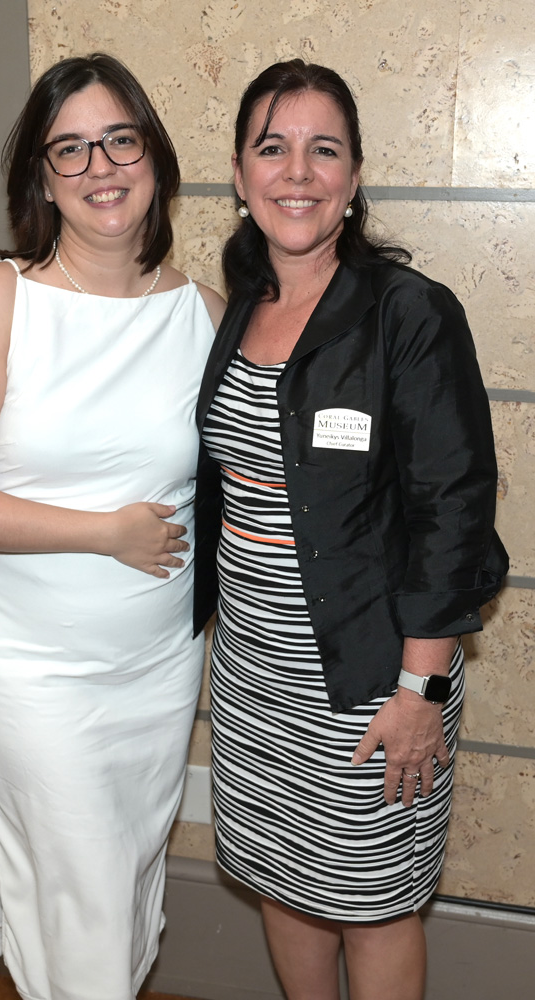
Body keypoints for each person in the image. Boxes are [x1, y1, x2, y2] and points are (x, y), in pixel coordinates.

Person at [193, 60, 508, 1000]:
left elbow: (454, 512)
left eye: (322, 150)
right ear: (243, 177)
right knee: (283, 889)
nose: (298, 171)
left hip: (371, 684)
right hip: (253, 676)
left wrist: (421, 688)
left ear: (356, 175)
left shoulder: (408, 314)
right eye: (273, 148)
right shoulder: (238, 308)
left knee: (375, 906)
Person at [0, 53, 224, 1000]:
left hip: (155, 666)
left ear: (154, 158)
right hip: (29, 664)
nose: (100, 167)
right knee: (84, 890)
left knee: (120, 885)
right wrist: (105, 533)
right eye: (70, 149)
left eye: (119, 140)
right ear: (43, 179)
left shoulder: (203, 314)